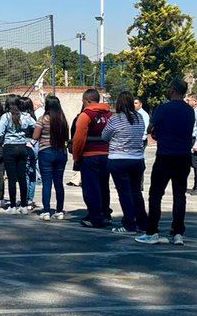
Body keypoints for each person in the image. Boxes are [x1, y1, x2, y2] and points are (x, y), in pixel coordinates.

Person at [137, 79, 195, 246]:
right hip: (183, 156)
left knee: (155, 194)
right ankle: (178, 233)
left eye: (169, 87)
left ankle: (152, 231)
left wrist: (157, 131)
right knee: (179, 195)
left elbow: (150, 129)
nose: (167, 90)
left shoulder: (163, 108)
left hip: (165, 154)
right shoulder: (189, 111)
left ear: (174, 90)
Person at [103, 90, 147, 234]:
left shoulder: (116, 119)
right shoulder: (139, 117)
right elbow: (141, 134)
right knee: (136, 192)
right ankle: (142, 222)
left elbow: (105, 136)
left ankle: (129, 223)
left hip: (119, 158)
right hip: (137, 158)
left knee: (124, 193)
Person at [71, 88, 113, 228]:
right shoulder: (109, 115)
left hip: (90, 155)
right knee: (103, 186)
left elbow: (79, 138)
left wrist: (76, 156)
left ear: (86, 100)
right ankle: (105, 214)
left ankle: (95, 217)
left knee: (91, 188)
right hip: (107, 155)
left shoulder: (86, 115)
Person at [32, 96, 70, 221]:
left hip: (46, 152)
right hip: (61, 152)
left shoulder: (42, 119)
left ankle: (46, 211)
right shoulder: (62, 120)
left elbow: (36, 135)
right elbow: (66, 137)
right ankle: (59, 210)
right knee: (59, 183)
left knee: (47, 183)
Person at [0, 97, 37, 212]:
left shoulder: (6, 116)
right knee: (22, 177)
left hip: (9, 147)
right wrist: (32, 140)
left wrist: (2, 142)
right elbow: (36, 126)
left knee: (12, 178)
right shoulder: (26, 116)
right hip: (22, 146)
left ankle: (13, 205)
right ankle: (24, 205)